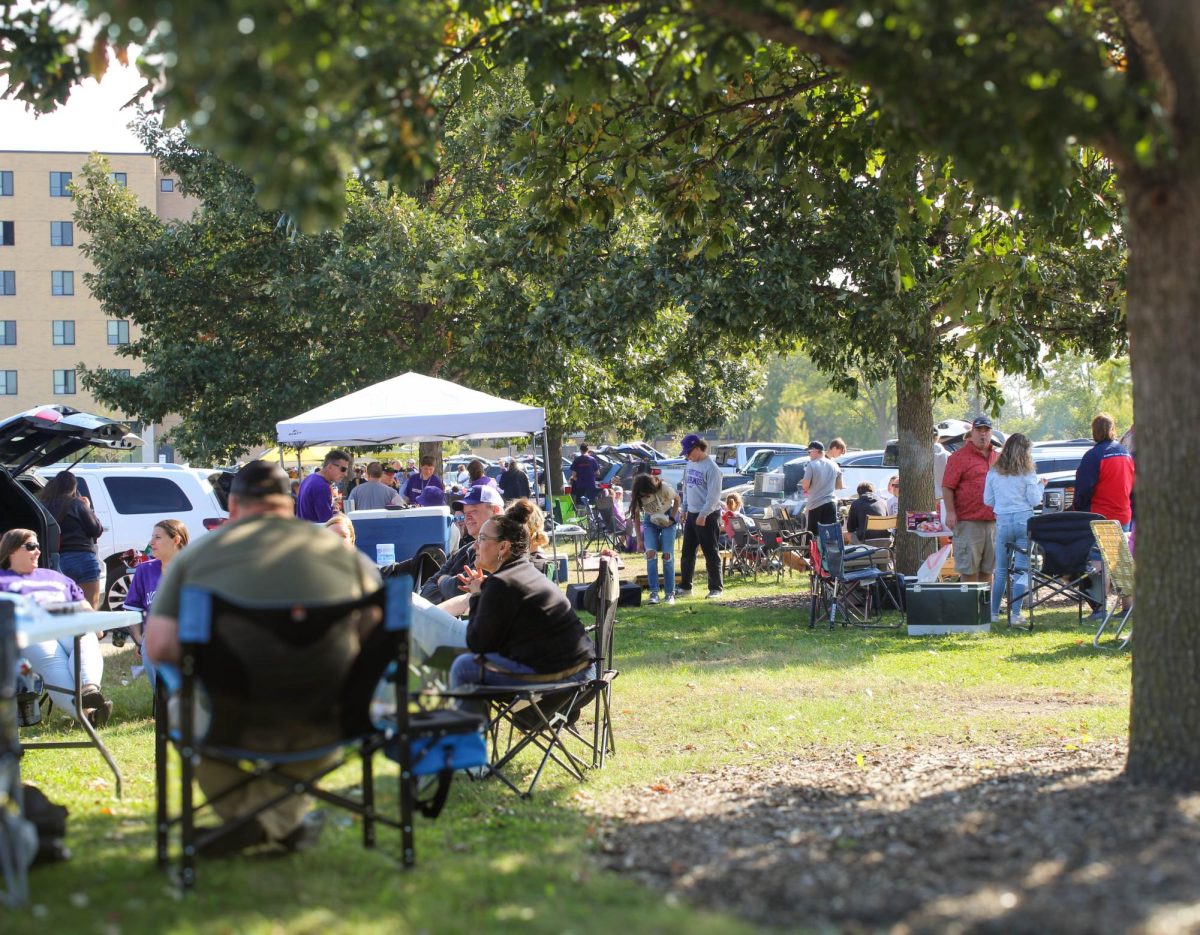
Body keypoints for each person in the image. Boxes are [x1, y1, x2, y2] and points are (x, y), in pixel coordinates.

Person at [145, 460, 381, 857]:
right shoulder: (347, 558)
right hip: (329, 717)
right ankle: (278, 822)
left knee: (181, 708)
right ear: (289, 504)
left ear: (233, 505)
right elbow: (376, 633)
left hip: (228, 719)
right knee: (315, 730)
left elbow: (159, 647)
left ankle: (258, 822)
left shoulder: (197, 558)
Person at [448, 503, 595, 712]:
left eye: (481, 539)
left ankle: (466, 742)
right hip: (583, 673)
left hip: (562, 682)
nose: (474, 545)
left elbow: (477, 643)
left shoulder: (502, 583)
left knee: (465, 667)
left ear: (503, 547)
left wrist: (476, 596)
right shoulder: (523, 571)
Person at [0, 528, 111, 726]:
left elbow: (82, 605)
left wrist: (96, 624)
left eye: (38, 547)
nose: (38, 551)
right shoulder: (3, 580)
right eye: (31, 546)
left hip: (69, 623)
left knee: (86, 638)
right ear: (12, 550)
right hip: (32, 632)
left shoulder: (54, 576)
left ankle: (89, 690)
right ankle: (89, 714)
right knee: (53, 660)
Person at [1073, 412, 1135, 617]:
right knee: (1120, 560)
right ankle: (1128, 607)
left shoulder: (1094, 455)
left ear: (1094, 431)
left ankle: (1100, 607)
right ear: (1112, 429)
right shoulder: (1125, 453)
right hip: (1123, 514)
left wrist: (1079, 510)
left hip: (1100, 515)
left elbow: (1083, 488)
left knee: (1097, 559)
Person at [983, 433, 1043, 624]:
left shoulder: (993, 473)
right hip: (1024, 519)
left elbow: (988, 500)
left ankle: (993, 613)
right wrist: (1041, 486)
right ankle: (1015, 614)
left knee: (1000, 570)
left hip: (1002, 521)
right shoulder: (1027, 473)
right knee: (1021, 569)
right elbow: (1035, 500)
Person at [124, 518, 190, 681]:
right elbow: (132, 609)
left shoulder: (194, 568)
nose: (151, 542)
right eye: (152, 536)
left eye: (157, 537)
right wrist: (140, 641)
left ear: (176, 540)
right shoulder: (144, 570)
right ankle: (166, 701)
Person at [418, 485, 504, 605]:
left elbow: (456, 590)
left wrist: (442, 581)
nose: (467, 518)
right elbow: (427, 588)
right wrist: (446, 588)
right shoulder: (465, 550)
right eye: (465, 512)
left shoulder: (500, 549)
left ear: (495, 511)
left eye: (473, 511)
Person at [941, 415, 999, 583]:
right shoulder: (958, 457)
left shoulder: (997, 457)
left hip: (994, 520)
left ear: (991, 433)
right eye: (979, 430)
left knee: (989, 569)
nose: (983, 435)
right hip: (968, 521)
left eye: (986, 431)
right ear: (971, 433)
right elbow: (947, 486)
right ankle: (971, 609)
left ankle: (988, 609)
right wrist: (950, 512)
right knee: (969, 569)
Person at [37, 472, 104, 609]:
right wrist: (88, 507)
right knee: (89, 609)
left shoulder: (41, 506)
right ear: (73, 487)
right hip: (82, 558)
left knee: (62, 609)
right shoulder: (77, 504)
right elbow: (96, 530)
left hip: (55, 560)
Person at [677, 434, 724, 598]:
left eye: (689, 453)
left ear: (697, 448)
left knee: (710, 551)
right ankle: (685, 587)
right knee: (687, 552)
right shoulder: (690, 464)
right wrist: (684, 508)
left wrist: (703, 514)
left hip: (708, 515)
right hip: (691, 513)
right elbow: (686, 488)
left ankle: (715, 589)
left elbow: (714, 496)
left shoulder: (712, 468)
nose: (687, 456)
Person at [630, 472, 680, 605]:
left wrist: (672, 518)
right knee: (650, 554)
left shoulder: (664, 488)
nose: (646, 497)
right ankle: (654, 592)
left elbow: (677, 500)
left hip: (667, 518)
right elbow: (635, 517)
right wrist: (640, 540)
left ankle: (670, 594)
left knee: (667, 555)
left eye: (647, 493)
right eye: (643, 495)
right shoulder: (638, 496)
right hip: (650, 520)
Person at [295, 449, 351, 522]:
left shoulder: (309, 478)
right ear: (330, 466)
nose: (345, 474)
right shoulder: (322, 486)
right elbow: (328, 522)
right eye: (343, 469)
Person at [801, 441, 842, 533]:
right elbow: (839, 486)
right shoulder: (834, 465)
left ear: (816, 451)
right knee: (829, 536)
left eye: (809, 452)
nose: (809, 454)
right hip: (831, 504)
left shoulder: (811, 465)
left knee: (813, 536)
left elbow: (805, 486)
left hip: (815, 505)